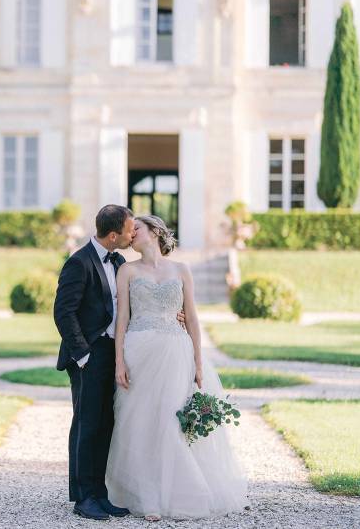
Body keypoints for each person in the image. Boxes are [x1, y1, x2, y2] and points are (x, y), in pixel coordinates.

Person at [106, 215, 249, 521]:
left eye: (137, 229)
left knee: (171, 420)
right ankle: (147, 499)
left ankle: (181, 493)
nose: (131, 234)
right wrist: (119, 360)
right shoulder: (127, 271)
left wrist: (198, 361)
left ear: (155, 231)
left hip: (175, 352)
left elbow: (193, 319)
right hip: (139, 352)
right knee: (141, 423)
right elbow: (122, 319)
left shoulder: (182, 270)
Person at [52, 205, 185, 520]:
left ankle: (100, 493)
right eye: (129, 230)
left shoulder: (121, 262)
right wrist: (83, 355)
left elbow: (125, 308)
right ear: (113, 235)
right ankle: (83, 497)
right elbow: (63, 312)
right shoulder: (79, 263)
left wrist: (170, 312)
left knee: (107, 423)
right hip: (88, 355)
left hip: (115, 352)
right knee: (87, 423)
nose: (132, 234)